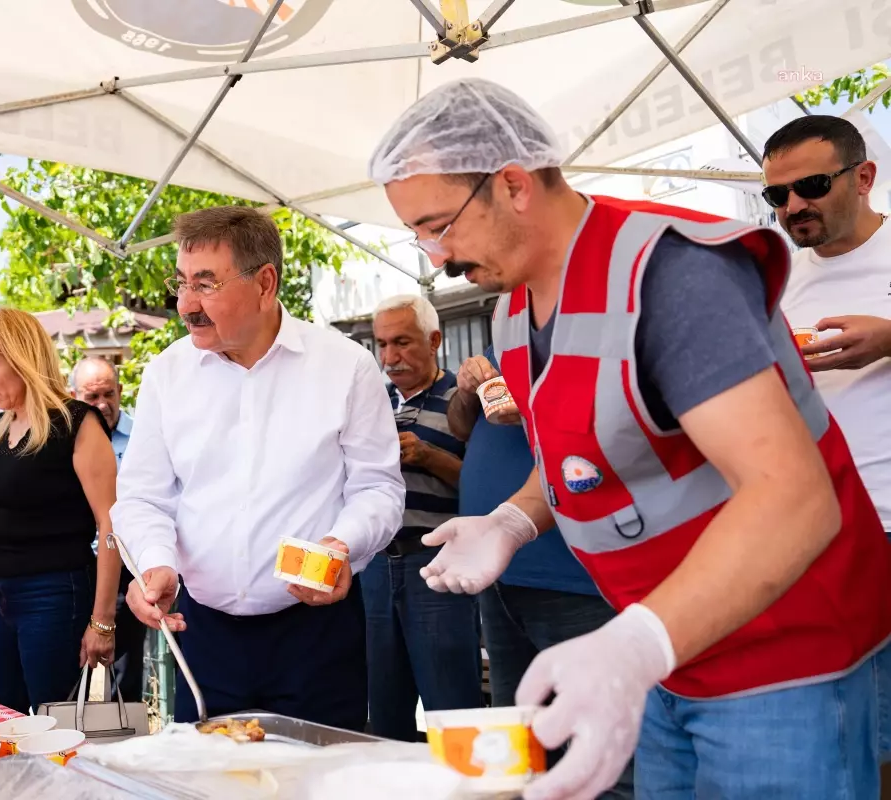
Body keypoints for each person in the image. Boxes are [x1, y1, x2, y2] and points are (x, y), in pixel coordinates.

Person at [369, 78, 891, 799]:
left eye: (438, 225)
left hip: (779, 655)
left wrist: (637, 644)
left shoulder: (671, 275)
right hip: (664, 650)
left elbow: (796, 499)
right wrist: (514, 520)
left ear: (515, 185)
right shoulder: (514, 307)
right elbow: (579, 455)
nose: (434, 256)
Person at [112, 206, 405, 730]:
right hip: (203, 636)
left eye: (205, 284)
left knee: (320, 786)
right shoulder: (167, 374)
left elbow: (378, 488)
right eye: (180, 283)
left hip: (317, 636)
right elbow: (142, 496)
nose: (185, 305)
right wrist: (155, 560)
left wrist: (342, 545)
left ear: (265, 282)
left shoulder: (346, 366)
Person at [762, 114, 891, 789]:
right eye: (776, 195)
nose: (792, 208)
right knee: (850, 730)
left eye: (810, 186)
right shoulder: (778, 278)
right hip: (822, 530)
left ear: (863, 177)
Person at [448, 351, 633, 798]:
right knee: (520, 745)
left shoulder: (585, 327)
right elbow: (460, 426)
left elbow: (605, 423)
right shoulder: (509, 326)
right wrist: (468, 391)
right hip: (502, 578)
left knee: (599, 754)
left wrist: (533, 404)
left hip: (571, 576)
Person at [0, 309, 121, 713]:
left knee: (54, 731)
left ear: (22, 358)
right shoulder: (0, 426)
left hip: (53, 594)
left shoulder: (78, 421)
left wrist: (102, 621)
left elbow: (111, 522)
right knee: (1, 721)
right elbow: (0, 525)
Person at [365, 294, 481, 742]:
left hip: (437, 566)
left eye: (403, 343)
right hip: (375, 566)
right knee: (385, 708)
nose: (391, 357)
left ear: (435, 340)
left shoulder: (464, 400)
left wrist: (431, 457)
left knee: (452, 708)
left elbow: (490, 487)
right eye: (383, 345)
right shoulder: (374, 401)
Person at [70, 356, 147, 703]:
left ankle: (123, 748)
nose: (102, 404)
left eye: (109, 394)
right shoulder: (65, 434)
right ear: (74, 396)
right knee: (72, 671)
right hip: (78, 565)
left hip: (129, 567)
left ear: (119, 391)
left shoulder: (145, 437)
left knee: (125, 672)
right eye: (91, 397)